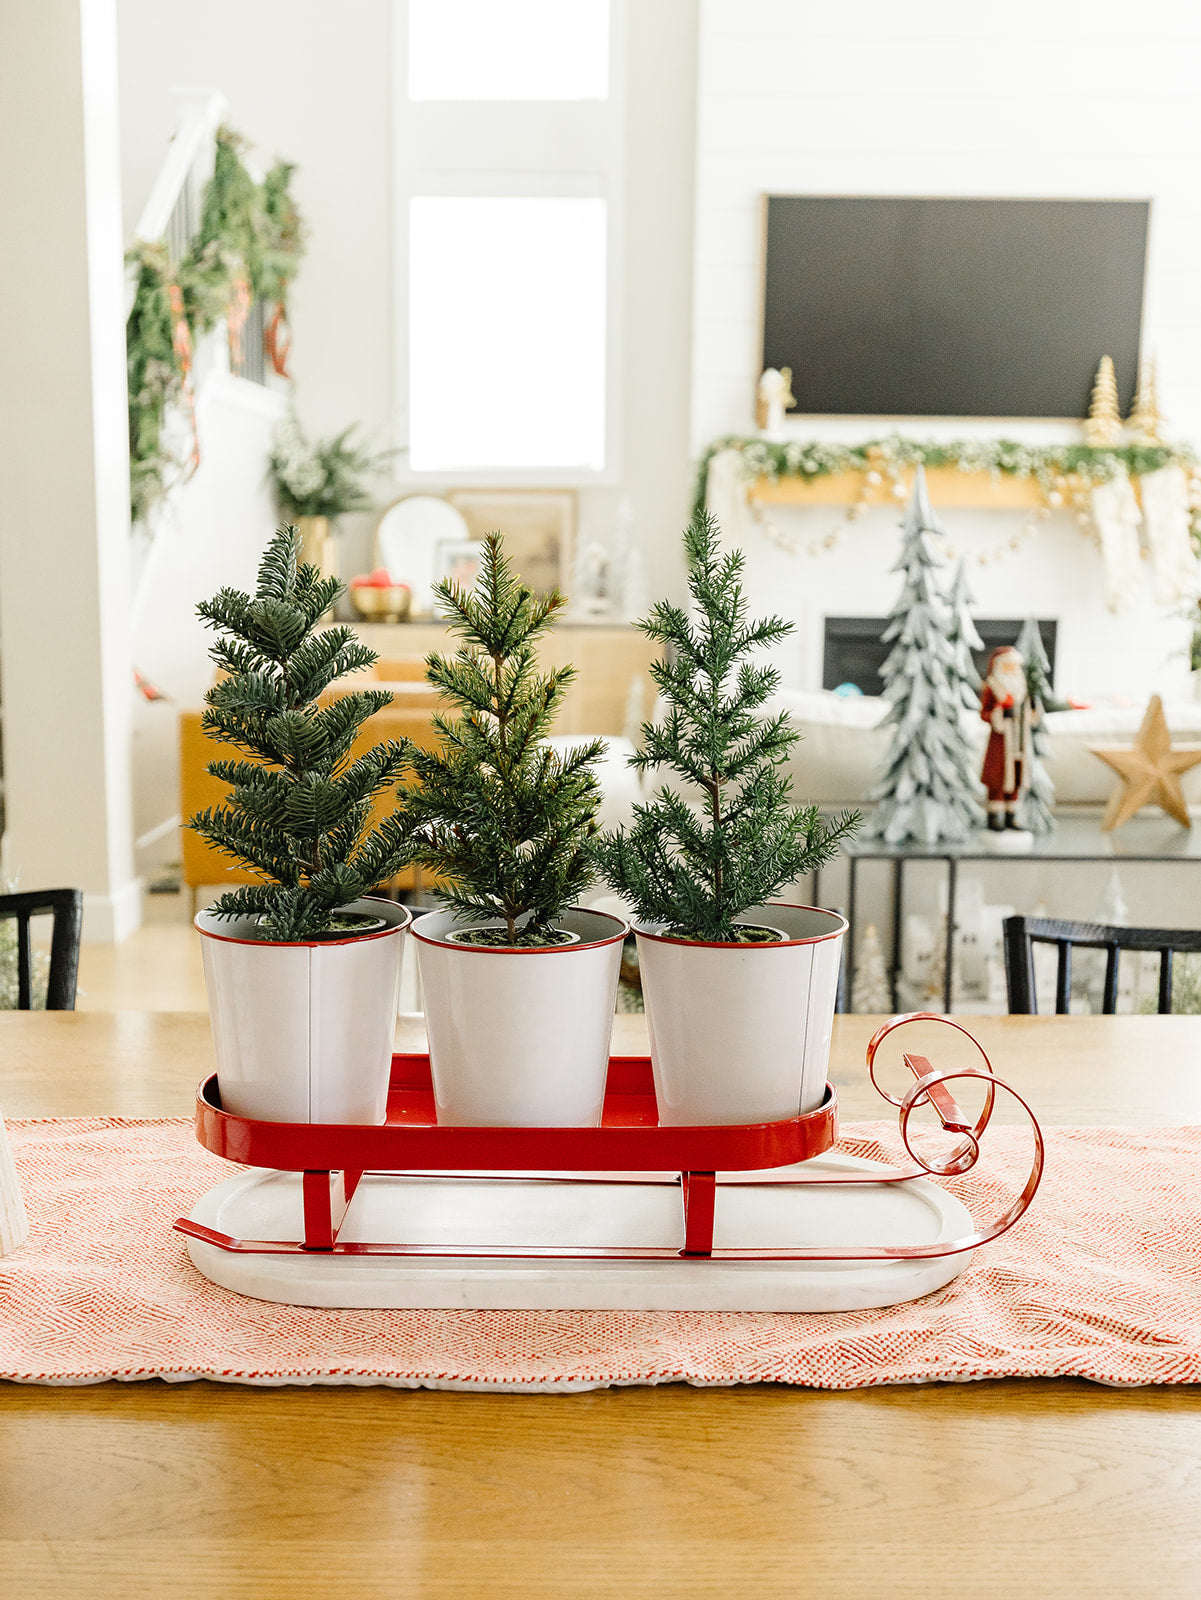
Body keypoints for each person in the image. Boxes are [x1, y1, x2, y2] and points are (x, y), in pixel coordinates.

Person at [979, 645, 1037, 831]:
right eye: (1008, 666)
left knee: (1016, 779)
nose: (1012, 670)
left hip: (1019, 742)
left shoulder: (1022, 688)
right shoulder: (993, 687)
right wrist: (1000, 713)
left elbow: (1030, 715)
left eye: (1015, 667)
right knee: (998, 779)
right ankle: (994, 816)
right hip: (1000, 743)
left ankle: (1010, 817)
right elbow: (984, 713)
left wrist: (1032, 710)